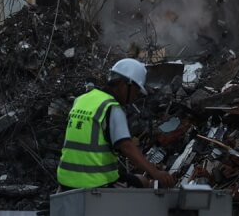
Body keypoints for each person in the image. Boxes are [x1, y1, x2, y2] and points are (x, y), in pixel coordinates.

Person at [57, 58, 176, 190]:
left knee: (138, 179)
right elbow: (126, 146)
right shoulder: (112, 107)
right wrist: (156, 173)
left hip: (65, 181)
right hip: (95, 184)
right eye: (136, 91)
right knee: (144, 183)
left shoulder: (81, 100)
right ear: (125, 84)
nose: (135, 97)